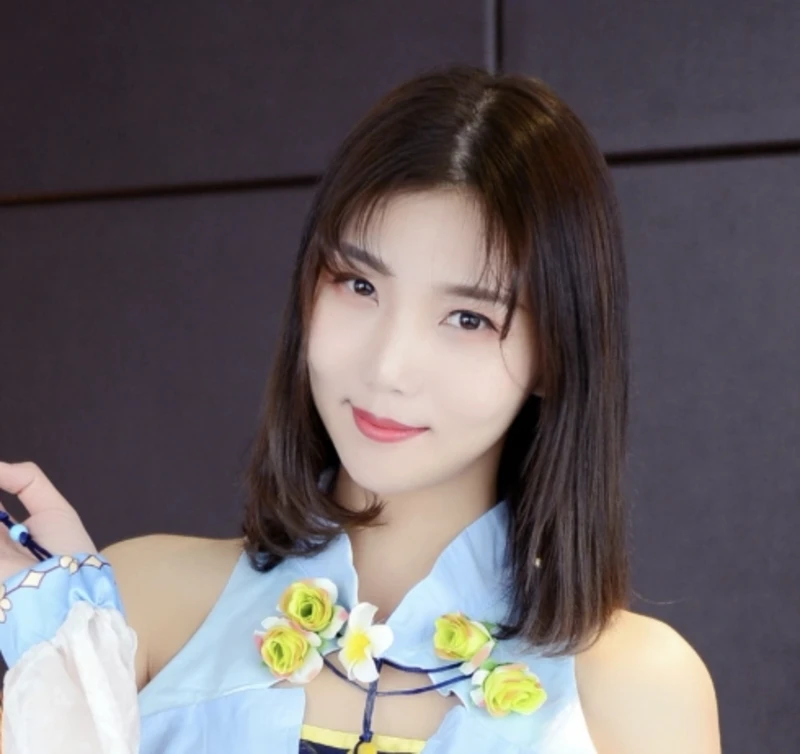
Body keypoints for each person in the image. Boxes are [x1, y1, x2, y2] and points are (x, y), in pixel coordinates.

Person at [0, 65, 720, 754]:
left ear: (556, 351)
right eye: (359, 285)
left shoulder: (636, 692)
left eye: (468, 318)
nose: (387, 367)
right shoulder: (141, 606)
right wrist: (62, 667)